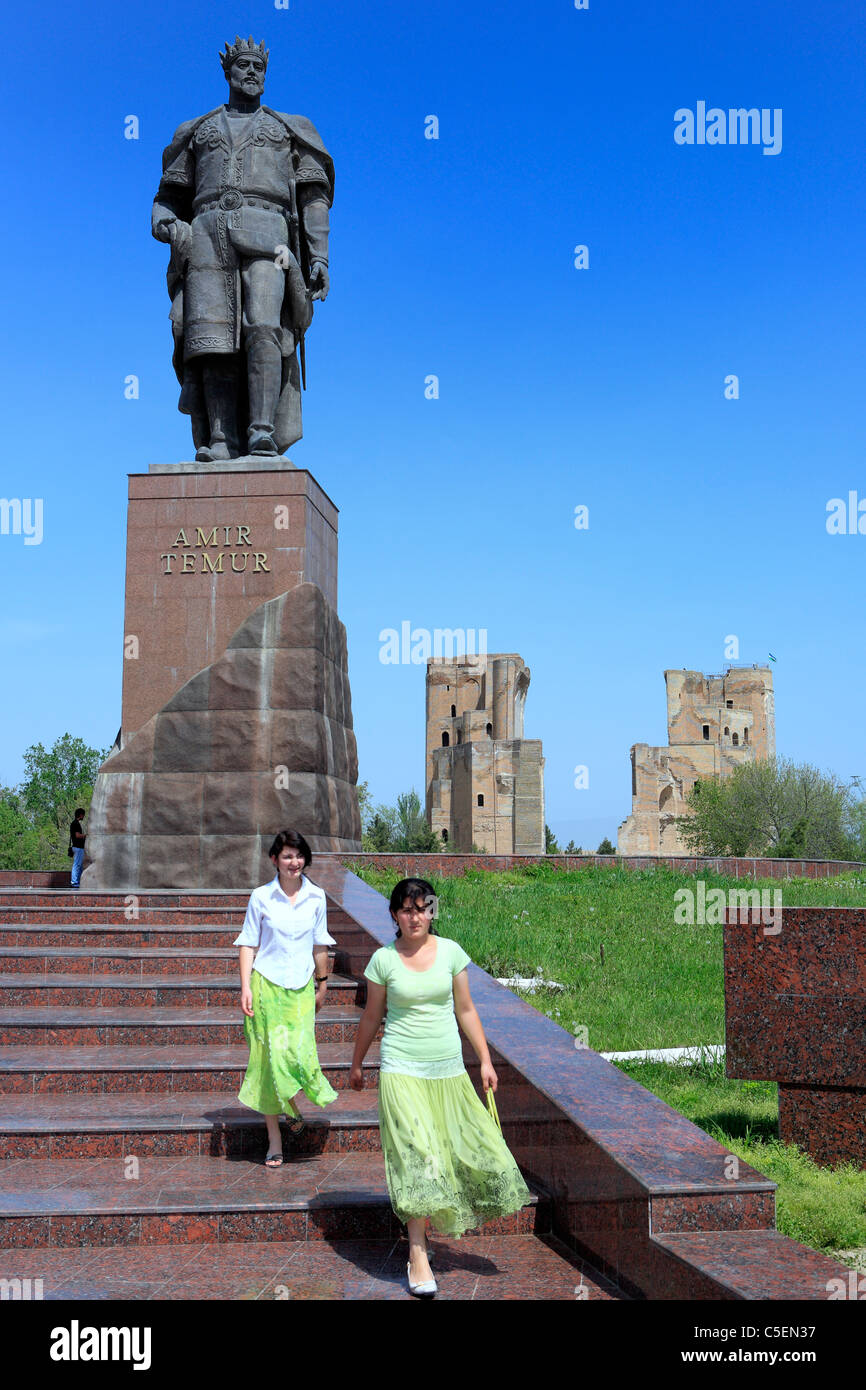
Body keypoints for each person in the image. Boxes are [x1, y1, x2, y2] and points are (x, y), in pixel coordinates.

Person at [151, 36, 334, 460]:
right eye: (244, 66)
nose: (252, 72)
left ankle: (261, 431)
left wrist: (319, 255)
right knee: (209, 339)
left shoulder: (289, 129)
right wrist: (167, 224)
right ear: (228, 73)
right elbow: (167, 198)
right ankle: (219, 438)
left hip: (270, 235)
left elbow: (313, 197)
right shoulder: (198, 131)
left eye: (259, 67)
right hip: (206, 236)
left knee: (264, 326)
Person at [350, 878, 532, 1297]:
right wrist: (357, 1063)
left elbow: (466, 1010)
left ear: (432, 911)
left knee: (457, 1152)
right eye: (406, 909)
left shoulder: (450, 953)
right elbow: (371, 1017)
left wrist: (485, 1060)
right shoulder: (383, 960)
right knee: (416, 1156)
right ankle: (416, 1254)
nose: (415, 916)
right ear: (394, 914)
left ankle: (422, 1237)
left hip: (447, 1070)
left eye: (422, 908)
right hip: (400, 1069)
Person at [234, 829, 338, 1166]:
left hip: (301, 987)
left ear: (305, 859)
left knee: (299, 1054)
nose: (293, 862)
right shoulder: (261, 897)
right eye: (287, 856)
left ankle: (291, 1104)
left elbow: (320, 943)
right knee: (271, 1059)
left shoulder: (316, 897)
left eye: (298, 855)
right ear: (274, 860)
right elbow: (248, 943)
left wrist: (323, 983)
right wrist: (245, 986)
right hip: (266, 986)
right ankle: (275, 1139)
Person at [69, 808, 86, 890]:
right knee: (77, 865)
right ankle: (74, 882)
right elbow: (77, 835)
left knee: (79, 865)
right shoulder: (75, 824)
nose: (84, 816)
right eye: (83, 815)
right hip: (78, 847)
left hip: (78, 847)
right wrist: (86, 835)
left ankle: (77, 882)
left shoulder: (75, 823)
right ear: (80, 815)